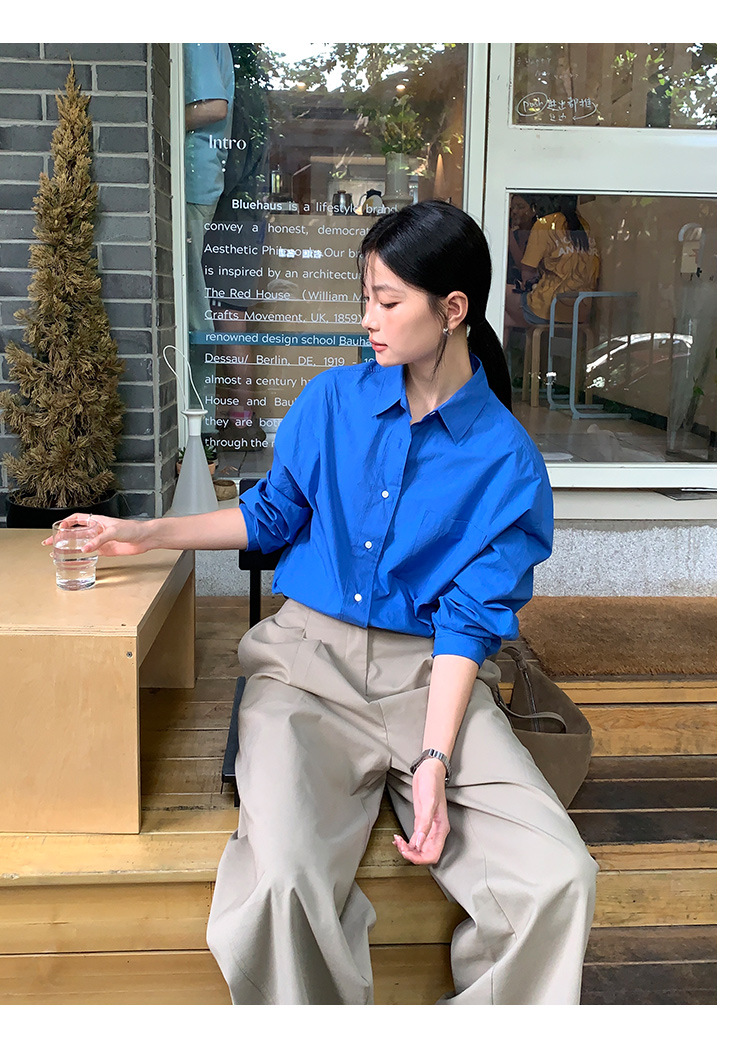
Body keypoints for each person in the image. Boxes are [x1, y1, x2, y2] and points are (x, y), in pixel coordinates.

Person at [46, 201, 597, 1006]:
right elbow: (272, 514)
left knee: (560, 875)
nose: (367, 317)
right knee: (282, 882)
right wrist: (146, 531)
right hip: (305, 671)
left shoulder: (508, 464)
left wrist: (435, 760)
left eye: (387, 300)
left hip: (433, 681)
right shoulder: (332, 402)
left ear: (452, 310)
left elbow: (468, 622)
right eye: (364, 295)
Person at [504, 194, 600, 345]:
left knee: (498, 296)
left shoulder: (545, 224)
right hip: (580, 311)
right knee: (506, 318)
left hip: (550, 308)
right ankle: (532, 355)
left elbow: (527, 274)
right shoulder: (584, 226)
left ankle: (508, 358)